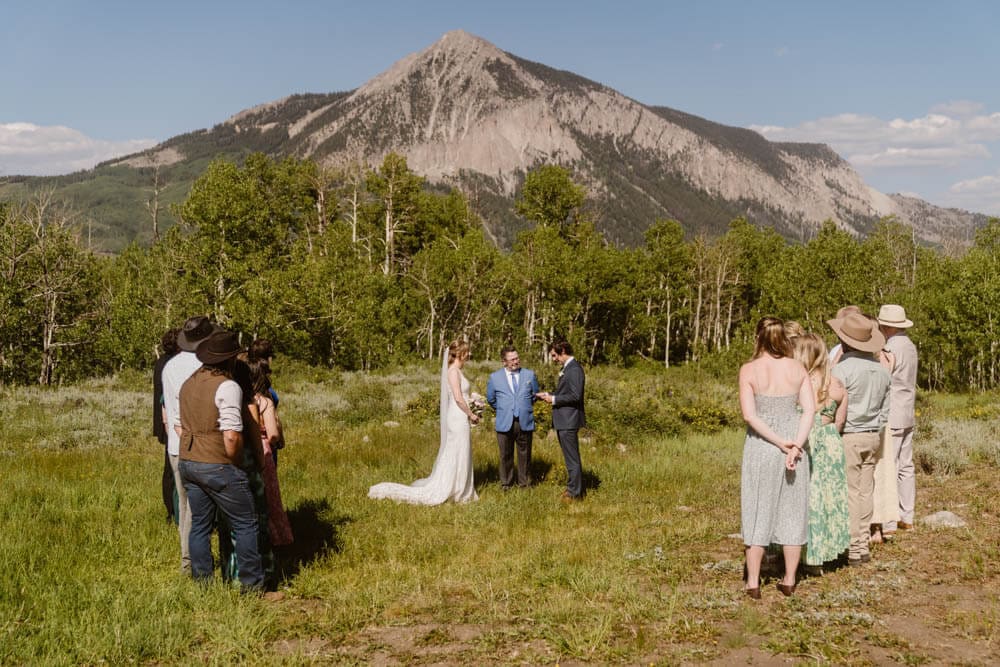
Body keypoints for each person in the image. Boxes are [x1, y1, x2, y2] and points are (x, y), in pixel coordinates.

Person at [178, 329, 263, 591]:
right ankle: (252, 586)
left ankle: (203, 583)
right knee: (246, 523)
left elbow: (180, 424)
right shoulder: (228, 386)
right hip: (218, 463)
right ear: (229, 359)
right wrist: (236, 463)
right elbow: (231, 435)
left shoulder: (189, 382)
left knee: (200, 526)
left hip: (188, 460)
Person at [738, 317, 815, 599]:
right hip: (794, 439)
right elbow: (809, 410)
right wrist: (795, 445)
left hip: (762, 444)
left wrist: (779, 442)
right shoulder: (798, 368)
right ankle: (789, 579)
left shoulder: (749, 370)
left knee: (757, 508)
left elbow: (750, 415)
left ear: (758, 337)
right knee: (793, 510)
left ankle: (754, 582)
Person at [368, 340, 480, 505]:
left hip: (459, 415)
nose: (469, 355)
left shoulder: (457, 371)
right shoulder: (453, 372)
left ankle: (460, 488)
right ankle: (455, 490)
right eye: (467, 353)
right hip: (458, 417)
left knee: (460, 452)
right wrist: (471, 414)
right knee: (457, 452)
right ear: (461, 354)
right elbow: (457, 397)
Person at [828, 311, 890, 567]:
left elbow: (832, 406)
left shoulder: (841, 370)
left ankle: (853, 547)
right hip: (872, 435)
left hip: (849, 435)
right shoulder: (882, 371)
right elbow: (886, 409)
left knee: (851, 493)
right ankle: (862, 544)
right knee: (866, 491)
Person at [161, 315, 219, 574]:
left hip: (176, 445)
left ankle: (188, 561)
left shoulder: (169, 367)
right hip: (200, 444)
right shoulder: (204, 366)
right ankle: (200, 564)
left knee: (185, 508)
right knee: (203, 509)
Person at [792, 333, 850, 571]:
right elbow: (840, 421)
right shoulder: (835, 384)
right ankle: (830, 550)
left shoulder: (797, 383)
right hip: (830, 441)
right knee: (829, 497)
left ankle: (808, 553)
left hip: (806, 440)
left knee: (806, 496)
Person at [878, 304, 918, 536]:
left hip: (892, 412)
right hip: (908, 410)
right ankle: (907, 514)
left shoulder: (890, 349)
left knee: (889, 465)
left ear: (886, 326)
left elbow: (884, 379)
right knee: (906, 465)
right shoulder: (910, 346)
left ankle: (889, 521)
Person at [249, 359, 294, 546]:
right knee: (270, 496)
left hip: (244, 450)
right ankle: (276, 536)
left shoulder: (241, 400)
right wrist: (271, 442)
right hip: (263, 447)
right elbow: (273, 433)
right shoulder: (265, 402)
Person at [536, 340, 587, 501]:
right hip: (565, 420)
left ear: (563, 350)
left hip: (569, 420)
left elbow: (575, 395)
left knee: (572, 457)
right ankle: (573, 488)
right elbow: (565, 392)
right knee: (569, 456)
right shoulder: (568, 368)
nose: (553, 359)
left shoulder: (574, 369)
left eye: (554, 355)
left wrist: (554, 399)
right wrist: (548, 394)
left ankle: (575, 493)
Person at [486, 346, 540, 490]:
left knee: (525, 454)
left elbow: (535, 395)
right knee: (505, 454)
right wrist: (504, 409)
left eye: (517, 358)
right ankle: (506, 483)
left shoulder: (529, 375)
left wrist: (523, 407)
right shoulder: (494, 377)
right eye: (512, 359)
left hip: (525, 420)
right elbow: (491, 399)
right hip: (504, 421)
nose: (516, 361)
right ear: (504, 362)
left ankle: (524, 483)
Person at [153, 327, 180, 523]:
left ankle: (171, 509)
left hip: (164, 420)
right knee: (171, 468)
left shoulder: (160, 362)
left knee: (169, 467)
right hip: (170, 420)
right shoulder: (171, 364)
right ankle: (172, 510)